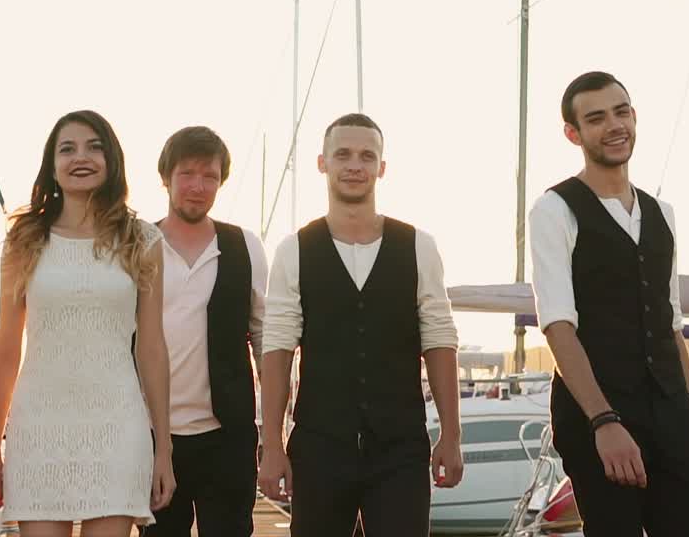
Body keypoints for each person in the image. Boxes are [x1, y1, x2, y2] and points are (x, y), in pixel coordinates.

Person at [258, 113, 463, 536]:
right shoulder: (294, 250)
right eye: (343, 155)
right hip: (319, 447)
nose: (355, 165)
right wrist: (274, 445)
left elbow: (440, 342)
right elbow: (277, 350)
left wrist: (452, 435)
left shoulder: (418, 246)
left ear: (381, 168)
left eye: (367, 156)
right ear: (323, 163)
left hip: (400, 447)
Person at [530, 72, 689, 537]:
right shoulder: (555, 209)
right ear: (573, 134)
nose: (614, 126)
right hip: (598, 416)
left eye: (621, 112)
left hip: (671, 417)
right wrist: (604, 421)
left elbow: (671, 325)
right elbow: (557, 326)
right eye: (596, 118)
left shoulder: (661, 213)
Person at [0, 109, 175, 536]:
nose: (80, 157)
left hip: (117, 424)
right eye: (66, 149)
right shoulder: (24, 240)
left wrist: (164, 448)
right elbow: (6, 347)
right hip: (38, 426)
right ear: (52, 166)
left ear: (112, 161)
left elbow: (152, 348)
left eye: (94, 147)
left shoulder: (142, 239)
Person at [143, 127, 268, 537]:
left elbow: (265, 340)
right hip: (152, 435)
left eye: (210, 176)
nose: (198, 186)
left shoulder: (244, 246)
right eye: (187, 174)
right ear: (166, 177)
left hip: (227, 435)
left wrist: (274, 430)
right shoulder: (137, 244)